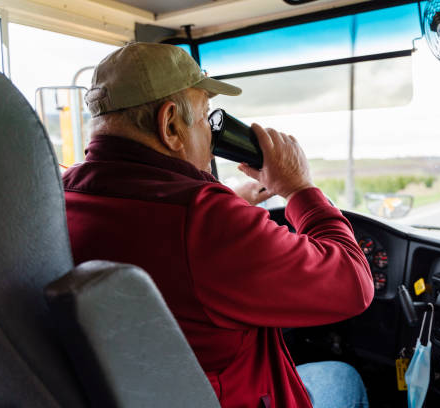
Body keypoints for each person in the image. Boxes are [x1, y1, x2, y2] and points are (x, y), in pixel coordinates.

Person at [63, 42, 374, 408]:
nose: (212, 141)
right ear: (170, 125)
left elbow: (159, 234)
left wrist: (231, 202)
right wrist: (298, 188)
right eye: (205, 116)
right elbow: (354, 283)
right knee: (343, 377)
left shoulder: (60, 196)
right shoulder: (208, 221)